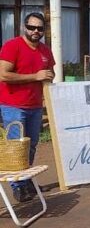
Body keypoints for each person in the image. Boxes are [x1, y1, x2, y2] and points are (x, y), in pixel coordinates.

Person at [0, 12, 55, 202]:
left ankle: (25, 178)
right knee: (17, 146)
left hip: (35, 105)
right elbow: (3, 75)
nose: (36, 31)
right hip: (13, 105)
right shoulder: (12, 46)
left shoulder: (45, 50)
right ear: (25, 27)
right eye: (32, 27)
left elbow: (49, 73)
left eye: (40, 28)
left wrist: (48, 79)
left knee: (31, 145)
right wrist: (35, 76)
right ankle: (18, 187)